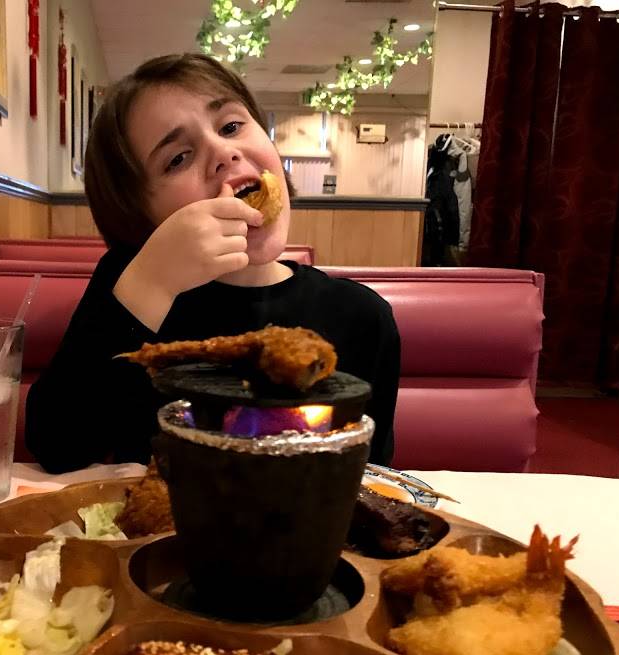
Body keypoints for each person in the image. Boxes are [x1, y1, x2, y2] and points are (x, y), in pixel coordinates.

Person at [26, 53, 400, 473]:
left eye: (231, 126)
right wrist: (151, 283)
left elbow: (370, 477)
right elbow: (58, 447)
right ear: (140, 215)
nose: (224, 152)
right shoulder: (133, 285)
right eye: (177, 158)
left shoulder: (361, 317)